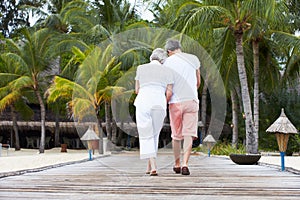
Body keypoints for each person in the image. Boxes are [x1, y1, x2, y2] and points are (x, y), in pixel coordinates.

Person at [163, 39, 201, 175]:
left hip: (175, 102)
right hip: (191, 100)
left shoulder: (167, 62)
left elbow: (168, 87)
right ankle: (185, 163)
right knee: (189, 134)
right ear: (180, 48)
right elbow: (198, 82)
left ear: (169, 51)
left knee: (176, 136)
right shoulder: (193, 59)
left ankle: (177, 163)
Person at [134, 48, 173, 176]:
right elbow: (169, 92)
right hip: (159, 102)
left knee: (146, 133)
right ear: (163, 60)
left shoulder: (141, 68)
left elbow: (137, 90)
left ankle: (153, 165)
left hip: (143, 101)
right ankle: (149, 165)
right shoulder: (168, 71)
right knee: (155, 134)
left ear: (152, 57)